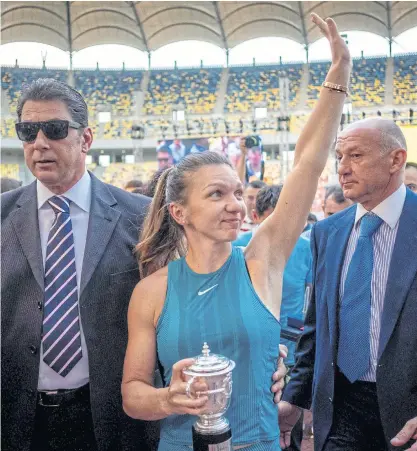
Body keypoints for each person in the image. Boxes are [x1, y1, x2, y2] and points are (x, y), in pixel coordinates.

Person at [122, 14, 351, 451]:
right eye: (215, 194)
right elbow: (133, 395)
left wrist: (337, 77)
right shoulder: (151, 291)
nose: (234, 204)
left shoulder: (261, 262)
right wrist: (168, 398)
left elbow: (307, 164)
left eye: (237, 192)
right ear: (179, 212)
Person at [1, 78, 156, 451]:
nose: (39, 142)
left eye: (54, 130)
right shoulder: (2, 216)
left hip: (111, 418)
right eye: (27, 131)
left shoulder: (141, 217)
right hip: (17, 420)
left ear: (85, 139)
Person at [279, 118, 417, 451]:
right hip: (341, 407)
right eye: (339, 157)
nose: (342, 168)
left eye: (355, 155)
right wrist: (294, 399)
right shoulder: (328, 233)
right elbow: (316, 327)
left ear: (396, 160)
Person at [233, 185, 312, 451]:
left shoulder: (307, 250)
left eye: (288, 222)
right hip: (245, 358)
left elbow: (311, 304)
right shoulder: (235, 248)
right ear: (256, 217)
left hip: (290, 358)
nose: (281, 230)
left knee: (288, 436)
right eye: (273, 221)